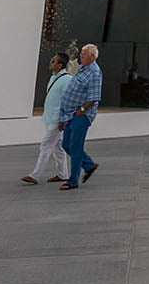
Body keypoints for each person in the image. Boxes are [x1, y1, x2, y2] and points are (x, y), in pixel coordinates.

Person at [23, 53, 72, 183]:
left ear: (60, 65)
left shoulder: (67, 80)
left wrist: (63, 119)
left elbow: (68, 101)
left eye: (53, 61)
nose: (51, 62)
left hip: (57, 119)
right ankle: (63, 174)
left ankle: (35, 175)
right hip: (50, 118)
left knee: (46, 145)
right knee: (57, 147)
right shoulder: (53, 77)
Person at [58, 44, 102, 189]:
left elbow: (94, 97)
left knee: (75, 146)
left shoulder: (94, 73)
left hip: (82, 114)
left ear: (92, 57)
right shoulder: (83, 68)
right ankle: (89, 165)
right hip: (71, 112)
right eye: (81, 54)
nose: (81, 57)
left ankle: (72, 181)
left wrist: (82, 109)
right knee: (66, 144)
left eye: (84, 55)